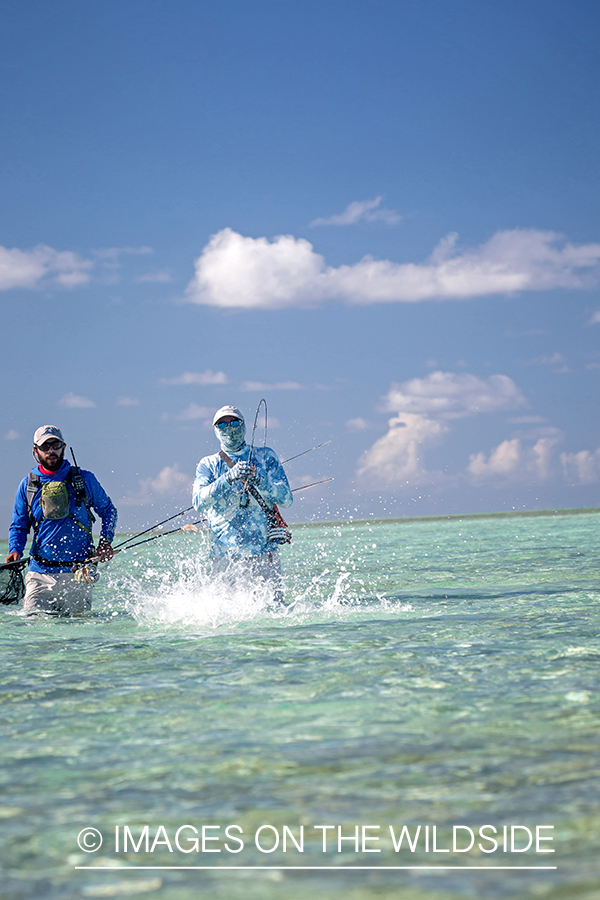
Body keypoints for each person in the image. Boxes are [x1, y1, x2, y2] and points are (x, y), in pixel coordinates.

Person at [5, 425, 118, 616]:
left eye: (55, 445)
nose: (51, 451)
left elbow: (109, 511)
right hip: (39, 574)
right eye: (45, 446)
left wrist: (106, 541)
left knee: (77, 638)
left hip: (78, 574)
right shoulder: (28, 485)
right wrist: (15, 549)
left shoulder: (85, 479)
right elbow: (18, 525)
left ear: (63, 447)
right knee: (33, 633)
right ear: (35, 451)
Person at [192, 406, 293, 603]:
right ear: (215, 430)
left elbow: (287, 499)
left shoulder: (266, 456)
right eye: (222, 423)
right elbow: (198, 502)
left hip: (265, 554)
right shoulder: (208, 464)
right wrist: (228, 478)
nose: (229, 427)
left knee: (274, 613)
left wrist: (260, 480)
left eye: (234, 422)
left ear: (244, 425)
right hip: (224, 557)